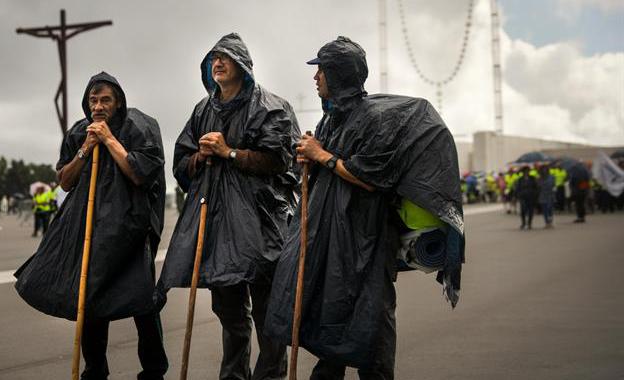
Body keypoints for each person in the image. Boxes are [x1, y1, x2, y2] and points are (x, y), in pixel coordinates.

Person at [265, 36, 465, 380]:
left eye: (321, 70)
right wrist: (309, 159)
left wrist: (322, 156)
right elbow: (328, 168)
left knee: (372, 314)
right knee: (332, 309)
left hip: (367, 235)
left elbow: (372, 177)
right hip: (331, 233)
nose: (315, 78)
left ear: (339, 73)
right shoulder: (332, 120)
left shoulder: (374, 118)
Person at [157, 33, 299, 380]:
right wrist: (199, 157)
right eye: (213, 59)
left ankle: (270, 376)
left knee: (267, 313)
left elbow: (281, 161)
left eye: (225, 58)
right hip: (217, 222)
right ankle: (233, 376)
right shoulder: (203, 110)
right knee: (229, 310)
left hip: (261, 222)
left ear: (243, 66)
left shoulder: (271, 107)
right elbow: (181, 162)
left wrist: (229, 152)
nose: (217, 63)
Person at [15, 72, 168, 380]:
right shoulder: (78, 133)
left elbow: (140, 174)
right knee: (90, 297)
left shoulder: (138, 127)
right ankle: (94, 369)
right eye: (93, 100)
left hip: (130, 229)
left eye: (105, 100)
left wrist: (109, 140)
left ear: (119, 102)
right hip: (88, 227)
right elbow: (66, 181)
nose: (98, 106)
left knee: (142, 301)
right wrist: (86, 146)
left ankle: (153, 371)